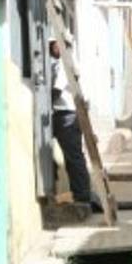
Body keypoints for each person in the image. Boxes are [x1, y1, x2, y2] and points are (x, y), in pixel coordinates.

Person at [48, 38, 94, 207]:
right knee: (70, 155)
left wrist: (43, 104)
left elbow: (57, 91)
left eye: (54, 45)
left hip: (66, 115)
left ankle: (82, 194)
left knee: (73, 157)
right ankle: (78, 192)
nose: (52, 48)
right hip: (67, 114)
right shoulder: (65, 62)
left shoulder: (65, 63)